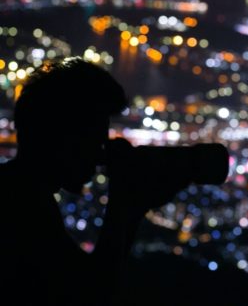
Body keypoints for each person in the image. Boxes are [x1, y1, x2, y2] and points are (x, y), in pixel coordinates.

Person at [0, 57, 185, 305]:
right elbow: (91, 292)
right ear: (62, 134)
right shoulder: (20, 205)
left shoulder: (20, 190)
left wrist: (132, 208)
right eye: (94, 135)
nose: (100, 150)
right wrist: (124, 200)